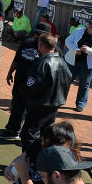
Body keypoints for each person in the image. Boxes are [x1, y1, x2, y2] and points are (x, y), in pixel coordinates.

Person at [22, 33, 73, 161]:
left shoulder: (43, 62)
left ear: (41, 45)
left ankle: (29, 163)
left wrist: (25, 93)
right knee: (46, 135)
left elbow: (31, 85)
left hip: (39, 105)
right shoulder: (62, 61)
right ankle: (43, 162)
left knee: (28, 134)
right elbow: (68, 81)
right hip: (54, 106)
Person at [0, 23, 51, 141]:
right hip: (20, 82)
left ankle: (27, 136)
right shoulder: (27, 43)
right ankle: (12, 130)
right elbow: (17, 59)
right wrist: (9, 73)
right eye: (35, 33)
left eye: (39, 34)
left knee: (32, 112)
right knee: (17, 107)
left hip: (36, 87)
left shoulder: (52, 50)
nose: (35, 35)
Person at [64, 18, 92, 113]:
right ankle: (61, 99)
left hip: (88, 65)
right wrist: (76, 50)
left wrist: (88, 50)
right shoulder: (78, 31)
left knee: (84, 84)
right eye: (89, 23)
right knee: (66, 81)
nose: (90, 25)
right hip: (73, 61)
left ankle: (80, 104)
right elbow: (68, 41)